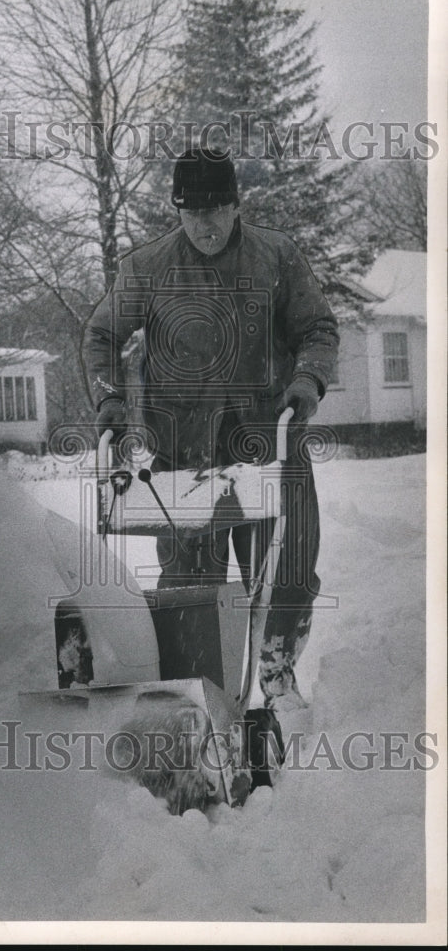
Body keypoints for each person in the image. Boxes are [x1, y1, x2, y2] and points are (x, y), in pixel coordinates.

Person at [83, 148, 339, 711]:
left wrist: (307, 382)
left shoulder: (278, 256)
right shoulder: (146, 268)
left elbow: (318, 327)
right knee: (190, 591)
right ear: (176, 210)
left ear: (235, 204)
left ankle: (274, 668)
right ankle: (196, 704)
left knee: (284, 568)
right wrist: (109, 401)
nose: (205, 224)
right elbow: (100, 337)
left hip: (267, 442)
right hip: (182, 458)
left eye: (216, 209)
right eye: (192, 211)